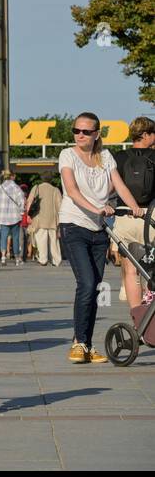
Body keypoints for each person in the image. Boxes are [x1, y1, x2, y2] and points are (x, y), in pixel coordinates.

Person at [57, 112, 146, 363]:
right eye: (76, 131)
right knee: (85, 283)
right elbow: (72, 191)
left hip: (99, 230)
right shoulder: (68, 155)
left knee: (94, 288)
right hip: (74, 225)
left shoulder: (105, 157)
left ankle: (85, 344)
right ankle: (78, 342)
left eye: (86, 132)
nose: (80, 136)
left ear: (97, 134)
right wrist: (97, 208)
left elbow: (120, 186)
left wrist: (135, 209)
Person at [112, 116, 155, 308]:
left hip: (125, 216)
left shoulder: (119, 157)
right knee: (151, 270)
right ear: (145, 135)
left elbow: (111, 187)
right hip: (152, 218)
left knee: (131, 271)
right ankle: (150, 313)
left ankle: (137, 318)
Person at [25, 177, 63, 267]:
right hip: (52, 219)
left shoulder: (36, 188)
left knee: (41, 239)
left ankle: (43, 259)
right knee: (54, 241)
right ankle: (56, 260)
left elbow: (29, 202)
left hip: (39, 219)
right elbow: (60, 204)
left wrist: (28, 215)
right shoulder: (55, 190)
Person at [0, 170, 26, 266]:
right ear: (11, 176)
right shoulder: (17, 188)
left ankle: (3, 257)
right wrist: (21, 212)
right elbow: (22, 202)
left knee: (3, 237)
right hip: (15, 217)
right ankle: (17, 258)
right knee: (15, 238)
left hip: (3, 217)